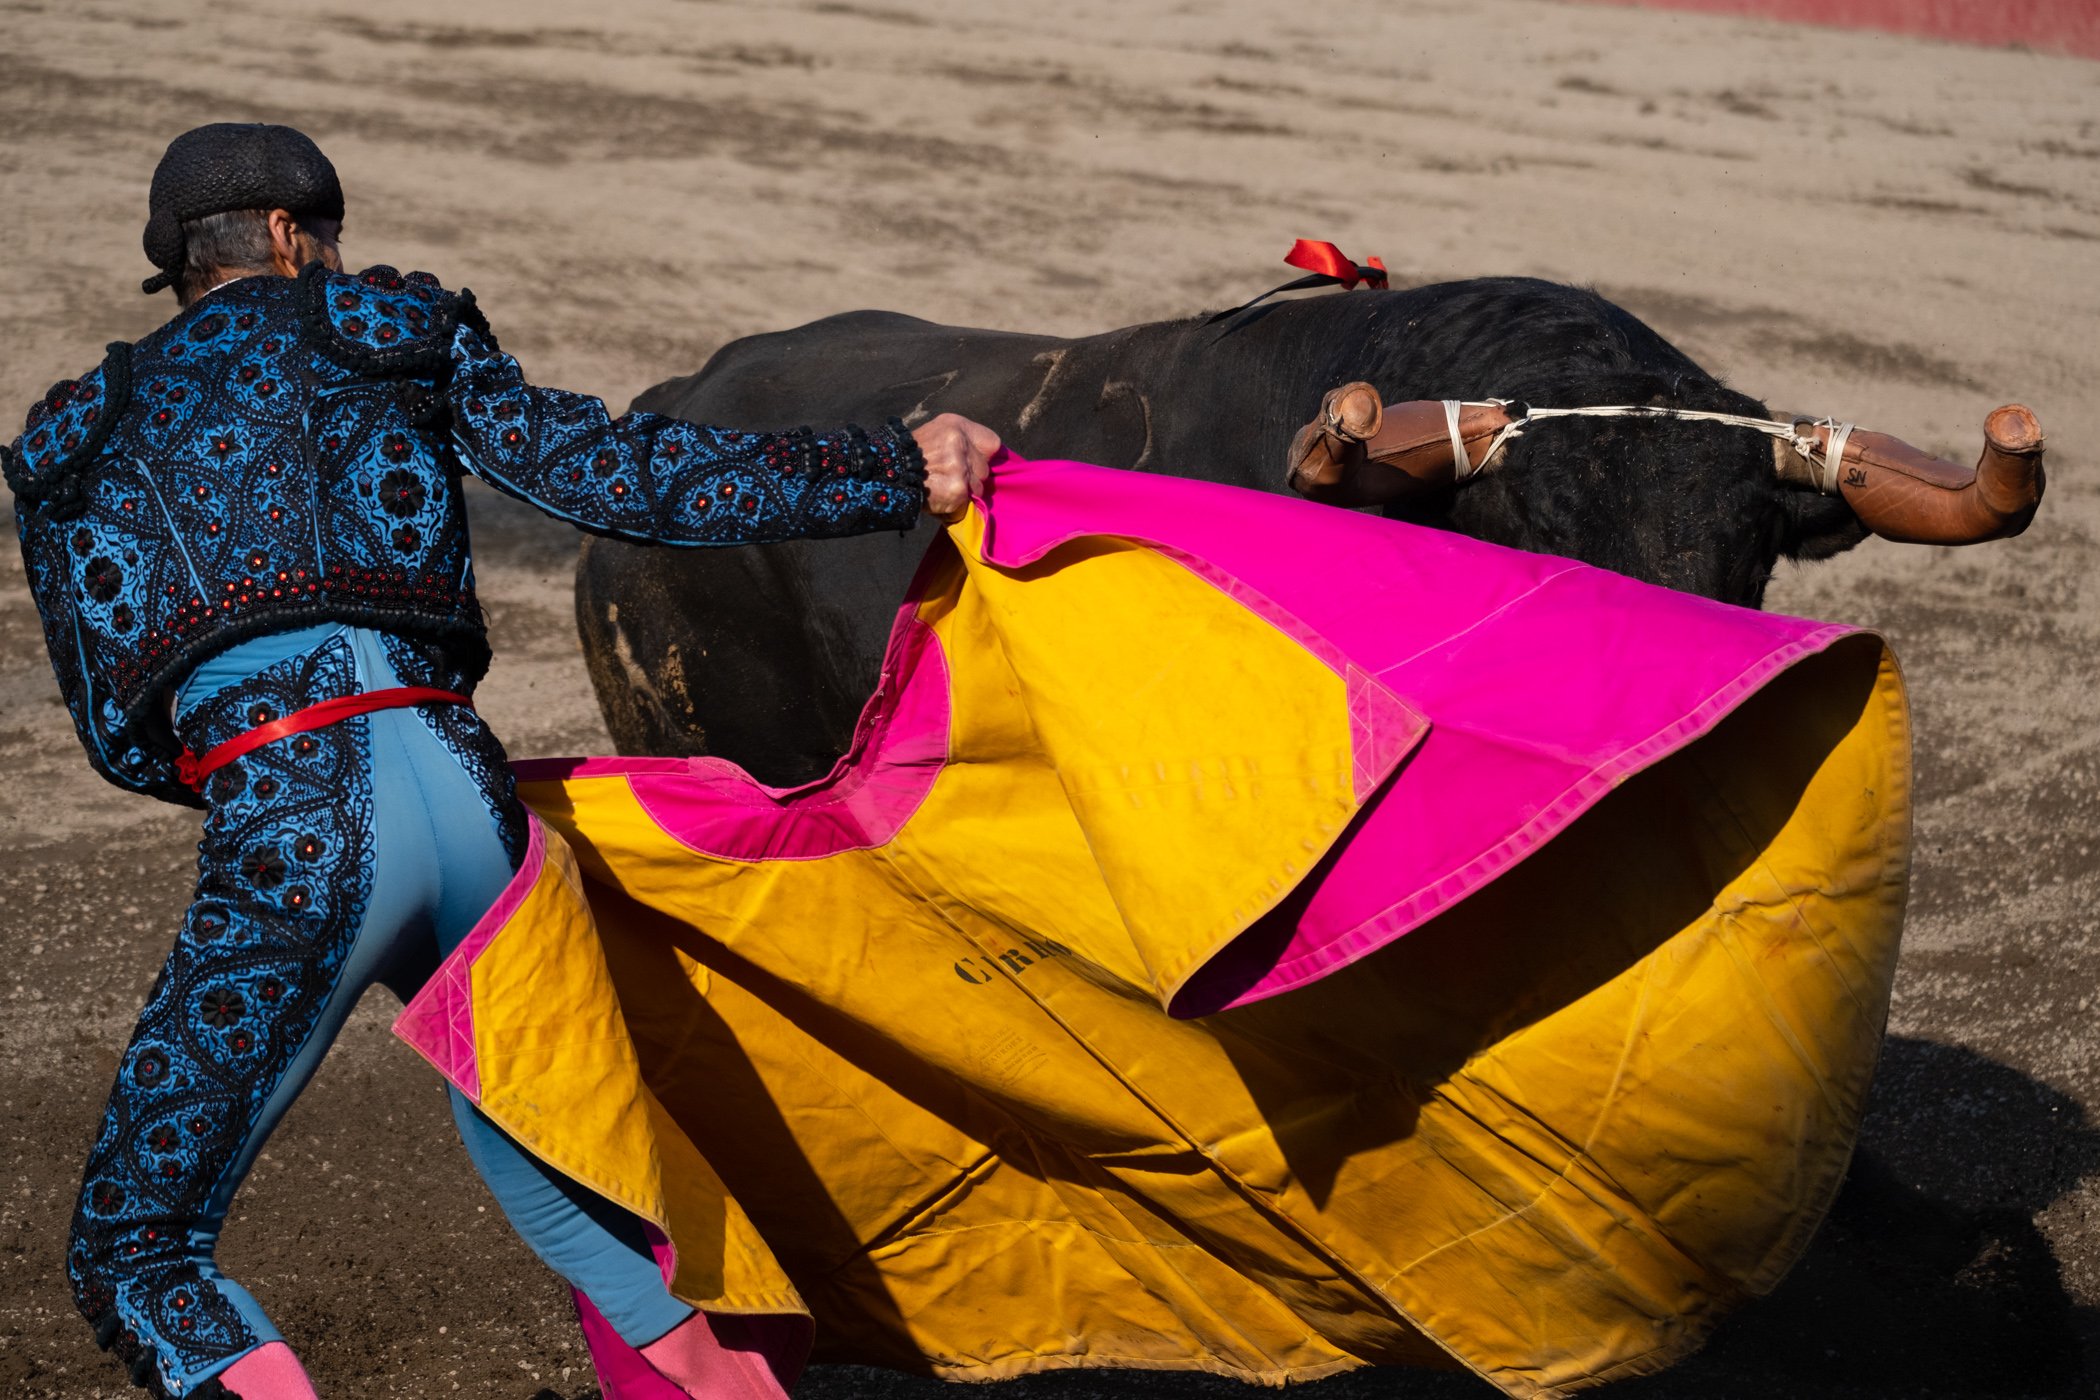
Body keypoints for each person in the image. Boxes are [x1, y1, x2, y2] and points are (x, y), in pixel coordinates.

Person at [1, 122, 997, 1400]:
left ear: (186, 266)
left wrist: (264, 774)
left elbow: (116, 733)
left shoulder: (76, 440)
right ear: (300, 240)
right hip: (478, 816)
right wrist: (884, 467)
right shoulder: (388, 331)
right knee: (600, 1215)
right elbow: (622, 479)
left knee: (138, 1255)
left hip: (288, 818)